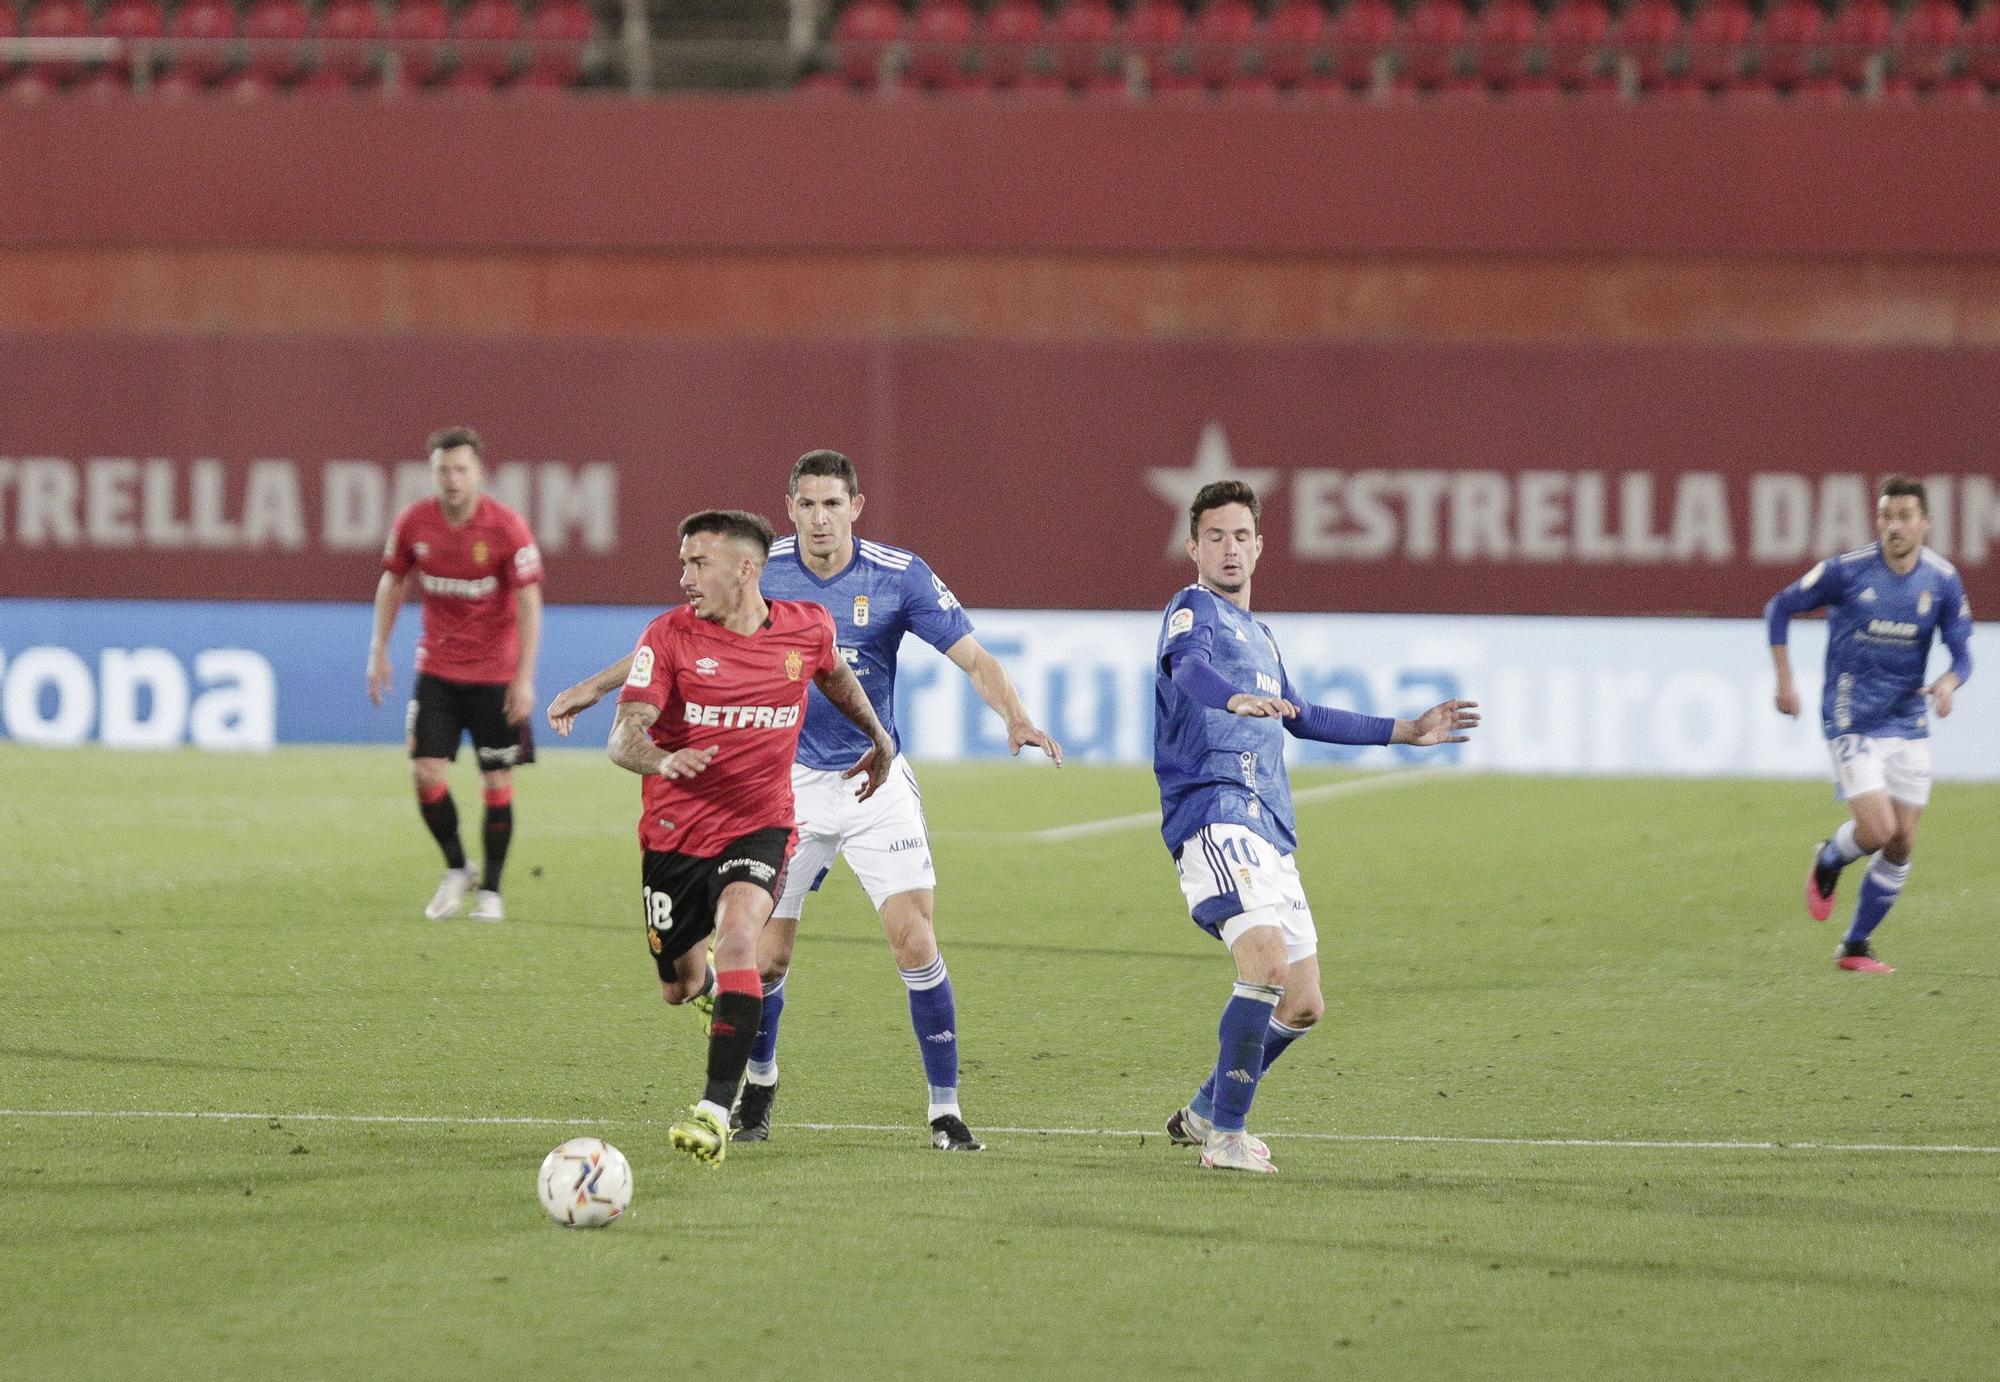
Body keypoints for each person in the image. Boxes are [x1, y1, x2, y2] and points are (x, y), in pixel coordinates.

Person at [549, 449, 1062, 1153]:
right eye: (808, 504)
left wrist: (1015, 715)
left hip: (874, 777)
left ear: (855, 507)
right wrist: (599, 686)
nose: (821, 518)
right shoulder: (757, 568)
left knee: (915, 938)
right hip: (784, 782)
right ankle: (758, 1084)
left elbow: (973, 657)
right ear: (790, 508)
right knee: (765, 960)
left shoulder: (898, 575)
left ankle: (945, 1109)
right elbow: (676, 635)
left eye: (833, 504)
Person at [1154, 479, 1478, 1173]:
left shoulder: (1263, 637)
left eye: (1242, 536)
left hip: (1269, 825)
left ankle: (1210, 1107)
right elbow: (1187, 669)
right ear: (1194, 547)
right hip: (1213, 810)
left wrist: (1406, 731)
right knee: (1265, 964)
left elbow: (1304, 714)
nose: (1230, 548)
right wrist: (1230, 696)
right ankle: (1227, 1139)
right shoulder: (1193, 610)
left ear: (1261, 546)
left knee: (1302, 1002)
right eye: (1215, 536)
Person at [607, 508, 895, 1168]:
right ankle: (712, 991)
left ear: (745, 568)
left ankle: (713, 1112)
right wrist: (661, 760)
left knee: (743, 937)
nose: (684, 577)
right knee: (677, 984)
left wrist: (878, 737)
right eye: (682, 563)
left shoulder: (805, 630)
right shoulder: (670, 637)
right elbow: (624, 737)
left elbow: (835, 677)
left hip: (760, 826)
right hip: (674, 835)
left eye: (697, 563)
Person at [1767, 474, 1973, 975]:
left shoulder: (1942, 581)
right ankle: (1829, 859)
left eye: (1904, 517)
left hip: (1906, 721)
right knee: (1877, 830)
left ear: (1925, 524)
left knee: (1902, 841)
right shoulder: (1846, 571)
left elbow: (1963, 655)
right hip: (1850, 717)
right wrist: (1785, 682)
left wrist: (1947, 683)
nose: (1893, 526)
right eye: (1885, 516)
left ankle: (1855, 946)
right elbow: (1780, 607)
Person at [368, 426, 542, 923]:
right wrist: (378, 648)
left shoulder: (507, 528)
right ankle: (457, 867)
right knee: (425, 773)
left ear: (479, 473)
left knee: (496, 778)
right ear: (432, 473)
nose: (452, 478)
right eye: (443, 469)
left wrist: (524, 677)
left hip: (495, 675)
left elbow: (529, 603)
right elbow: (393, 581)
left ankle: (492, 889)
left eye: (461, 469)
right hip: (438, 671)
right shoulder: (414, 523)